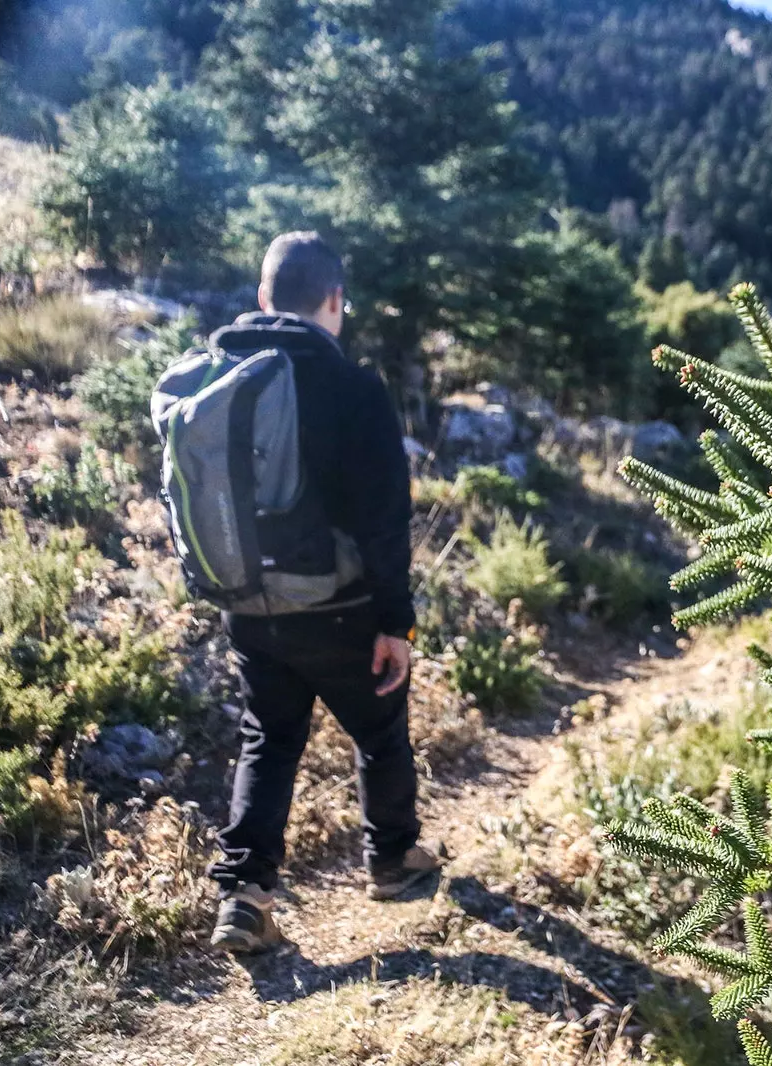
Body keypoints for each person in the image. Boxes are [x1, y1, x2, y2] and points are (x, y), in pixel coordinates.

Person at [207, 232, 442, 953]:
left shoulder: (218, 376)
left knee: (268, 739)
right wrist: (395, 622)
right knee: (378, 733)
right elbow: (384, 518)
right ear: (335, 301)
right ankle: (394, 861)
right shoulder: (353, 387)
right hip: (339, 609)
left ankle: (244, 896)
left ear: (263, 297)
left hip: (247, 602)